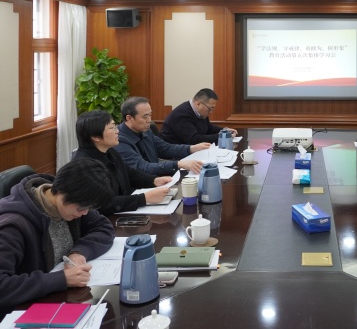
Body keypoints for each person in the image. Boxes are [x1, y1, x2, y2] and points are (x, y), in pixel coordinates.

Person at [0, 158, 115, 314]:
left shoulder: (72, 204)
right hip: (21, 312)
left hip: (58, 300)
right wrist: (61, 279)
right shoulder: (13, 225)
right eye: (81, 208)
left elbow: (104, 227)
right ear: (61, 191)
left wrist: (79, 252)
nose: (84, 213)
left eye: (89, 208)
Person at [72, 110, 171, 215]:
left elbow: (129, 173)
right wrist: (144, 198)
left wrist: (154, 180)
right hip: (107, 220)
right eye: (112, 128)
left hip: (123, 213)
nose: (117, 131)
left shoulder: (110, 151)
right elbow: (103, 205)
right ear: (95, 137)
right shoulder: (84, 166)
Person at [114, 97, 211, 176]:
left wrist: (192, 148)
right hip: (139, 187)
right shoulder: (119, 140)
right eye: (145, 116)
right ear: (129, 118)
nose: (149, 120)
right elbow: (142, 167)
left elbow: (166, 148)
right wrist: (178, 164)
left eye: (150, 115)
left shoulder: (146, 131)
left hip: (155, 179)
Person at [161, 88, 237, 145]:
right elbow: (194, 140)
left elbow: (209, 128)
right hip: (172, 155)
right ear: (198, 104)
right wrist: (223, 136)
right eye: (210, 109)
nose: (211, 112)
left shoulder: (201, 112)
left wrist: (225, 130)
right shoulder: (182, 115)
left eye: (213, 109)